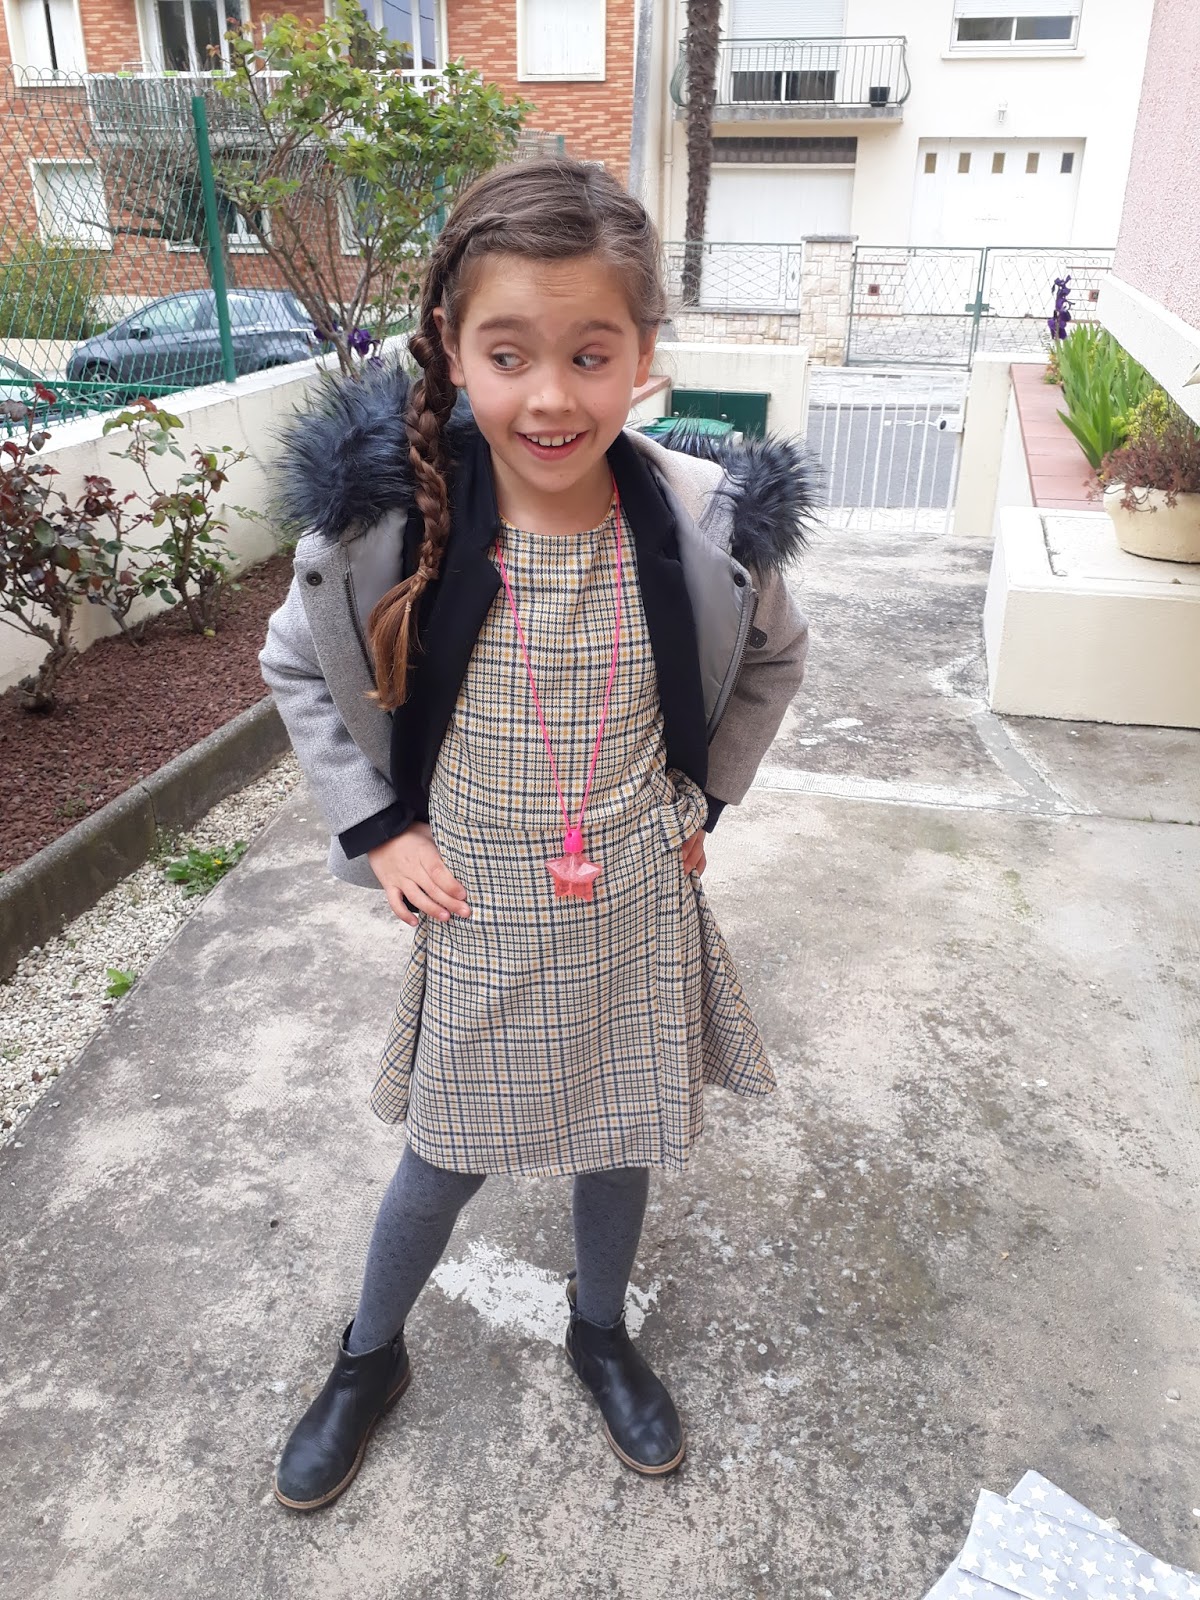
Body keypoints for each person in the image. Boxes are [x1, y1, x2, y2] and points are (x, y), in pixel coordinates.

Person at [258, 156, 817, 1510]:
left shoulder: (702, 525)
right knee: (444, 1151)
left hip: (631, 895)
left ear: (643, 356)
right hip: (481, 906)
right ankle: (370, 1351)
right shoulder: (391, 526)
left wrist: (704, 803)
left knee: (620, 1132)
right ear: (453, 348)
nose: (552, 396)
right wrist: (380, 829)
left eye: (591, 353)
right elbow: (295, 667)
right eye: (509, 356)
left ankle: (599, 1328)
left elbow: (774, 658)